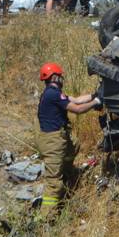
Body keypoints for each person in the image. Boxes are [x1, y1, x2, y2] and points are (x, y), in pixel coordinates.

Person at [36, 62, 102, 219]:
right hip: (52, 142)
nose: (62, 79)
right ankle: (47, 218)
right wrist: (97, 103)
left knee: (73, 147)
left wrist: (96, 95)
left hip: (58, 138)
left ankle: (68, 174)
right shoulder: (53, 94)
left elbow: (78, 100)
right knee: (53, 182)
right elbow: (77, 109)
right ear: (54, 77)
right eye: (60, 76)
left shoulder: (53, 92)